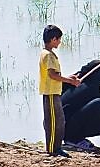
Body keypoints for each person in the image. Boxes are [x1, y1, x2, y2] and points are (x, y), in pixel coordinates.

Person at [38, 25, 80, 158]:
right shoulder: (48, 55)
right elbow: (52, 75)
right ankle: (52, 149)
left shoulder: (50, 54)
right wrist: (69, 81)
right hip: (50, 93)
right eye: (59, 39)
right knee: (53, 122)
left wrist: (69, 78)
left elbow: (55, 74)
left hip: (55, 92)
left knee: (60, 121)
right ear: (53, 39)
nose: (60, 42)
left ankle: (57, 147)